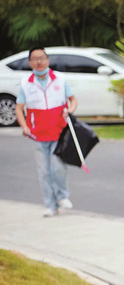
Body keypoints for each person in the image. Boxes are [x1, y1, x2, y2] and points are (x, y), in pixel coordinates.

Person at [15, 47, 77, 217]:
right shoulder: (26, 83)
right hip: (38, 134)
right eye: (35, 59)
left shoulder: (60, 79)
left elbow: (73, 100)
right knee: (44, 171)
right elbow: (19, 108)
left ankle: (62, 195)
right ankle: (50, 205)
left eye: (42, 58)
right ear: (30, 62)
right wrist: (24, 126)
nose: (39, 62)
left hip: (59, 131)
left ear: (47, 60)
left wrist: (70, 110)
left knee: (58, 167)